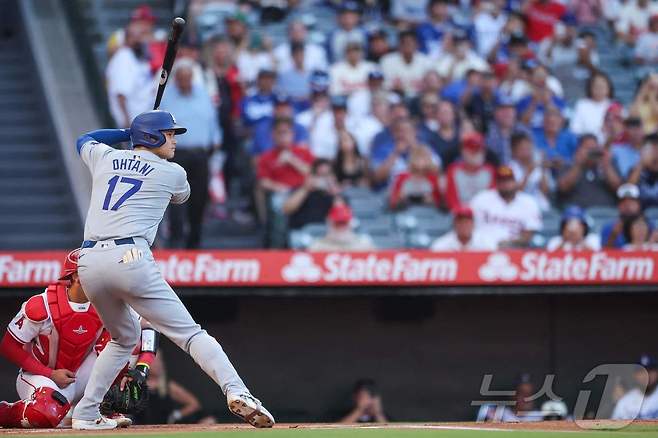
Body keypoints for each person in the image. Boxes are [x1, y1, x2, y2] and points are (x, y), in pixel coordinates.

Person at [71, 111, 274, 429]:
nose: (174, 140)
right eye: (168, 134)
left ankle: (85, 413)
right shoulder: (172, 172)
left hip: (89, 261)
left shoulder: (105, 155)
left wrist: (128, 132)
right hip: (130, 255)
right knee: (190, 333)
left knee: (124, 337)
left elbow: (85, 139)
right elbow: (182, 198)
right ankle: (238, 391)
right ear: (152, 137)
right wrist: (137, 140)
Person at [0, 250, 152, 429]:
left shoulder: (108, 301)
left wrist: (142, 368)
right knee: (44, 413)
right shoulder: (42, 305)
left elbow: (148, 325)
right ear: (77, 276)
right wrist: (51, 374)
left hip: (79, 375)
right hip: (42, 375)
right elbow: (8, 347)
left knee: (124, 338)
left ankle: (103, 407)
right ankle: (5, 411)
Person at [159, 60, 221, 249]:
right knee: (176, 198)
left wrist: (216, 138)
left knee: (200, 197)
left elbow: (212, 120)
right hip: (177, 153)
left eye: (188, 77)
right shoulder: (167, 97)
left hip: (201, 154)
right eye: (181, 78)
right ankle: (176, 240)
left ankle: (195, 241)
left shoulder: (203, 95)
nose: (185, 81)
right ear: (176, 78)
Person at [471, 165, 543, 248]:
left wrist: (511, 243)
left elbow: (528, 234)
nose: (505, 184)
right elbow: (469, 225)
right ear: (496, 183)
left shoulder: (529, 202)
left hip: (515, 250)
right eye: (502, 181)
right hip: (482, 249)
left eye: (509, 180)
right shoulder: (481, 199)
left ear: (515, 182)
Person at [105, 22, 156, 128]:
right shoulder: (124, 58)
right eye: (134, 37)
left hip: (143, 121)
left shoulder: (139, 57)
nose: (139, 40)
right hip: (132, 124)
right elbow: (120, 93)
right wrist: (126, 122)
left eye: (141, 36)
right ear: (126, 39)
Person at [132, 353, 202, 424]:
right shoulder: (136, 384)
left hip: (162, 428)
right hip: (140, 428)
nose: (158, 365)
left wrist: (175, 415)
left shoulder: (167, 385)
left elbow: (194, 404)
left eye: (160, 361)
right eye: (154, 361)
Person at [556, 134, 618, 208]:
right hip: (578, 214)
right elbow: (563, 188)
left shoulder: (606, 166)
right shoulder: (568, 166)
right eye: (588, 148)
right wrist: (578, 164)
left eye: (594, 148)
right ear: (578, 150)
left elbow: (619, 189)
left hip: (606, 212)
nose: (592, 152)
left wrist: (606, 166)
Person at [444, 132, 496, 211]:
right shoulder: (453, 170)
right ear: (464, 151)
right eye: (473, 150)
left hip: (484, 215)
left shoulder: (490, 171)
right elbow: (452, 201)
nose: (478, 153)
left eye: (480, 150)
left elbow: (492, 199)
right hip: (460, 216)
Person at [282, 159, 340, 230]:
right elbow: (287, 210)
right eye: (319, 175)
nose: (321, 179)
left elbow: (341, 215)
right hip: (301, 231)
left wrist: (334, 193)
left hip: (325, 232)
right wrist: (305, 189)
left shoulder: (334, 194)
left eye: (325, 175)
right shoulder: (300, 189)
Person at [380, 30, 433, 98]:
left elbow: (431, 85)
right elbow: (383, 84)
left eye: (411, 43)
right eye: (404, 43)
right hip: (395, 96)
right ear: (399, 45)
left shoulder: (426, 61)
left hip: (420, 97)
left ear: (417, 45)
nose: (408, 46)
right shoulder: (387, 60)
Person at [509, 132, 553, 212]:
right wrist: (528, 173)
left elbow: (545, 191)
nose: (527, 152)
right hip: (520, 209)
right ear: (514, 151)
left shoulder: (538, 162)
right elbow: (513, 193)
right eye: (522, 149)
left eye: (528, 148)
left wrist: (543, 170)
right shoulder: (511, 167)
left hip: (541, 208)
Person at [309, 203, 375, 251]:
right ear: (330, 223)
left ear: (351, 224)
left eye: (344, 223)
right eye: (337, 223)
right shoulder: (318, 245)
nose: (341, 227)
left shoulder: (364, 243)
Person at [570, 73, 614, 142]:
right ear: (590, 87)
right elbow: (575, 130)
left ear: (608, 88)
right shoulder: (582, 104)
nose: (599, 89)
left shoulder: (614, 105)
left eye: (602, 86)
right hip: (586, 144)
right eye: (596, 86)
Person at [486, 95, 530, 165]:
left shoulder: (523, 131)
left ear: (515, 112)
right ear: (494, 112)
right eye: (502, 109)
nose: (506, 113)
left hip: (520, 172)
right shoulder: (487, 130)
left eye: (510, 109)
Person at [431, 205, 497, 251]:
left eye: (467, 222)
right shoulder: (441, 245)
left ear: (473, 224)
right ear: (454, 224)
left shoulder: (486, 243)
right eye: (460, 222)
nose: (464, 225)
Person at [612, 355, 658, 420]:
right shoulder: (625, 401)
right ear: (635, 375)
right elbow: (614, 425)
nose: (647, 375)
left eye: (650, 370)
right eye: (642, 371)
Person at [600, 183, 643, 249]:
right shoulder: (609, 228)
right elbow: (603, 254)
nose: (627, 204)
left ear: (638, 204)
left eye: (631, 200)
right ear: (618, 205)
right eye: (623, 201)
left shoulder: (649, 226)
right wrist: (613, 236)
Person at [610, 116, 646, 181]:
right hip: (625, 186)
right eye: (631, 128)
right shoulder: (617, 150)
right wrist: (612, 136)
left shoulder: (652, 149)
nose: (635, 132)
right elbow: (603, 153)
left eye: (638, 127)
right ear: (625, 131)